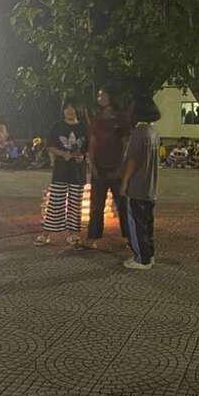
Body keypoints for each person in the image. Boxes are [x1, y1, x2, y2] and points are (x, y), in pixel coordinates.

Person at [35, 98, 89, 248]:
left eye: (73, 108)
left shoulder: (84, 127)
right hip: (61, 170)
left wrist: (83, 156)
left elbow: (88, 147)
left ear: (78, 110)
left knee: (75, 204)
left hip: (78, 171)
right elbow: (50, 146)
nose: (70, 111)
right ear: (63, 110)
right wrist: (63, 153)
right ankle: (46, 234)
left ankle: (74, 235)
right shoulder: (57, 126)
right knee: (55, 202)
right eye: (67, 108)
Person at [85, 86, 130, 249]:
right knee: (96, 206)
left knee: (122, 206)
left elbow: (125, 144)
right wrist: (92, 165)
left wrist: (121, 167)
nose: (100, 98)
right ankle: (93, 237)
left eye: (103, 95)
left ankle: (128, 237)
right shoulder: (96, 119)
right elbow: (92, 143)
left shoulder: (120, 119)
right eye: (98, 95)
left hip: (117, 169)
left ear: (111, 96)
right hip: (99, 169)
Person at [121, 94, 161, 270]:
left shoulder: (138, 132)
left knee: (136, 224)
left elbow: (132, 160)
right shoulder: (153, 132)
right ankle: (149, 255)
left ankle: (141, 259)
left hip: (137, 186)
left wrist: (124, 183)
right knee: (147, 223)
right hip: (150, 186)